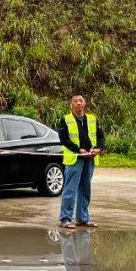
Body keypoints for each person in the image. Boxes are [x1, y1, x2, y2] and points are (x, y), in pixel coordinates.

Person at [57, 94, 106, 230]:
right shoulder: (65, 120)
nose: (78, 103)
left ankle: (83, 219)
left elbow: (101, 137)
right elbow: (64, 139)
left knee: (85, 189)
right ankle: (65, 219)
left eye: (81, 101)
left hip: (89, 159)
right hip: (75, 159)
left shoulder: (92, 119)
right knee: (70, 190)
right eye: (75, 101)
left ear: (85, 103)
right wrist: (78, 149)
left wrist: (99, 148)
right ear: (71, 105)